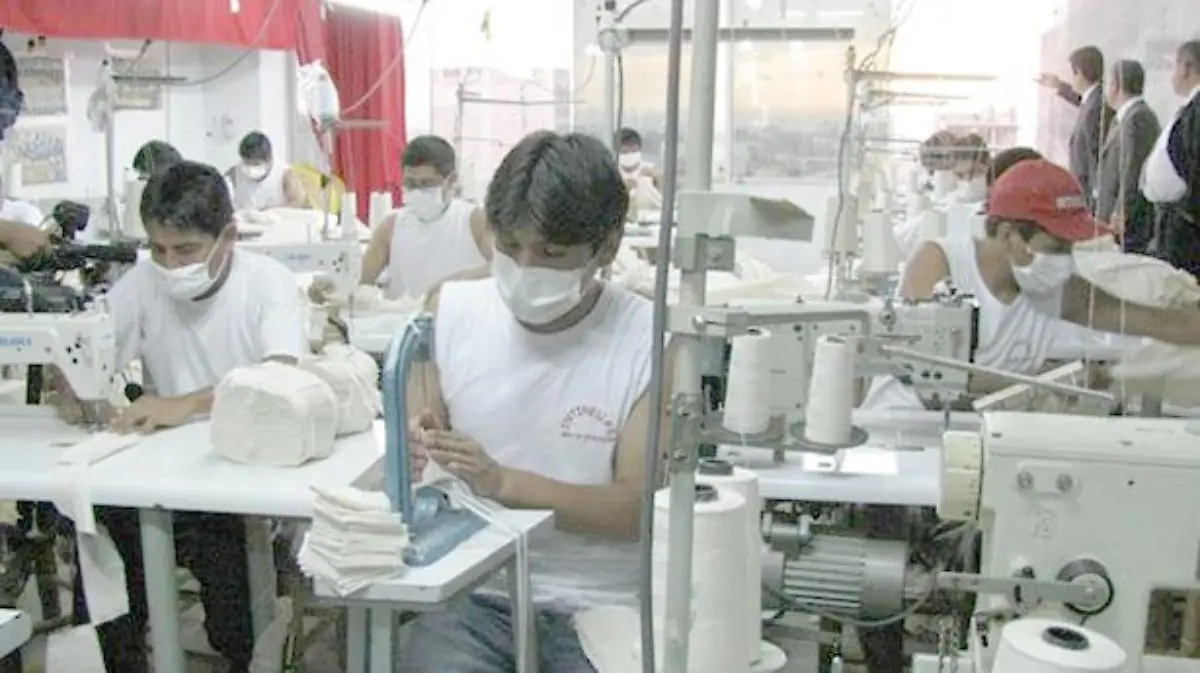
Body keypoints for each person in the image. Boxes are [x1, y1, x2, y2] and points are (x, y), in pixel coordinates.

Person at [397, 130, 670, 672]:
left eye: (550, 254)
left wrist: (503, 482)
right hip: (475, 590)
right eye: (509, 247)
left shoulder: (648, 341)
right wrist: (418, 443)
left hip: (598, 602)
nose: (524, 269)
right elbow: (423, 432)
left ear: (607, 246)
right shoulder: (450, 311)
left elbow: (635, 510)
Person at [52, 161, 309, 673]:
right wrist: (73, 385)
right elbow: (80, 346)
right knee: (101, 552)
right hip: (162, 469)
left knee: (236, 619)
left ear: (228, 236)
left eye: (186, 250)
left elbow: (278, 378)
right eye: (158, 249)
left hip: (241, 471)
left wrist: (183, 405)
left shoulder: (268, 285)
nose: (170, 265)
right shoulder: (144, 282)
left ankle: (242, 652)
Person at [866, 158, 1200, 411]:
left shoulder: (1052, 286)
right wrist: (1047, 383)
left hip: (985, 435)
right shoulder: (939, 262)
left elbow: (1154, 322)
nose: (1065, 259)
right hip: (903, 430)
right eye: (1055, 247)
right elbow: (931, 377)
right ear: (1009, 235)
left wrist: (1083, 380)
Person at [318, 135, 490, 301]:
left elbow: (500, 269)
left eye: (427, 183)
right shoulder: (391, 226)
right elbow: (359, 278)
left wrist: (451, 284)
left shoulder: (474, 221)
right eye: (410, 183)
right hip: (402, 317)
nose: (418, 191)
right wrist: (331, 286)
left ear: (451, 180)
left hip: (455, 315)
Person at [1142, 40, 1200, 278]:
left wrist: (1188, 215)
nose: (1173, 74)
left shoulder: (1198, 109)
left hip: (1185, 227)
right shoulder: (1190, 107)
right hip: (1173, 220)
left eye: (1174, 66)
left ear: (1186, 68)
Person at [1096, 59, 1160, 254]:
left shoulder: (1138, 118)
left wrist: (1121, 211)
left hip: (1126, 223)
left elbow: (1132, 170)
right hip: (1113, 218)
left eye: (1108, 83)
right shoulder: (1123, 118)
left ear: (1117, 85)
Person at [1039, 46, 1113, 204]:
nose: (1072, 79)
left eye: (1072, 73)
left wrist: (1095, 192)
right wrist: (1059, 86)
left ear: (1079, 72)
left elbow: (1095, 152)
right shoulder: (1094, 100)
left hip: (1090, 192)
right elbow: (1081, 101)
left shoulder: (1095, 107)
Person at [226, 131, 310, 210]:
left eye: (256, 164)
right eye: (246, 163)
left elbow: (297, 204)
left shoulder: (286, 174)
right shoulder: (233, 174)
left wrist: (270, 212)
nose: (251, 168)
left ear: (269, 159)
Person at [616, 127, 664, 216]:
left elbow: (664, 197)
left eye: (634, 151)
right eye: (625, 152)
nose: (630, 155)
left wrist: (658, 181)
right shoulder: (613, 173)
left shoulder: (651, 170)